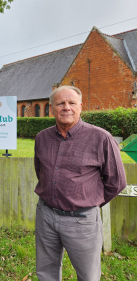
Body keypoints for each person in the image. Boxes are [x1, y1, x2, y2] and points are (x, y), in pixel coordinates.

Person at [34, 85, 126, 281]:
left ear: (81, 106)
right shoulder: (42, 138)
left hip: (82, 220)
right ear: (52, 108)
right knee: (46, 272)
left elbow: (116, 182)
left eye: (71, 103)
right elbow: (41, 172)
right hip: (46, 216)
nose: (66, 107)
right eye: (60, 103)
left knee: (88, 276)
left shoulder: (101, 138)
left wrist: (87, 202)